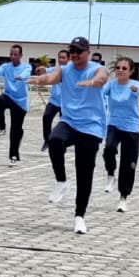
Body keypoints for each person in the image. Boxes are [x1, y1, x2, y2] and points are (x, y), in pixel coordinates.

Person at [28, 36, 108, 234]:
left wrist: (91, 82)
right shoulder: (65, 70)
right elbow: (51, 78)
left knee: (84, 173)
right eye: (72, 51)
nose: (74, 55)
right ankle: (61, 180)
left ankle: (79, 216)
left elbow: (101, 79)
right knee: (54, 140)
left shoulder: (97, 68)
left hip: (91, 126)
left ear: (87, 52)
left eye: (78, 51)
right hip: (70, 122)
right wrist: (40, 80)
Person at [100, 56, 139, 213]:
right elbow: (100, 93)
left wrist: (134, 91)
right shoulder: (111, 85)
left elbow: (137, 92)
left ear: (131, 71)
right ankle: (111, 174)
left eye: (124, 68)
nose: (120, 71)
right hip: (114, 125)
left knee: (128, 164)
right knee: (109, 148)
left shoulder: (135, 85)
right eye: (118, 68)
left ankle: (123, 197)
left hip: (131, 128)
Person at [0, 44, 32, 164]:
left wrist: (20, 77)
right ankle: (1, 128)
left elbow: (26, 74)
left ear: (20, 55)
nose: (12, 56)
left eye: (15, 54)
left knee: (16, 131)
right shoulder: (6, 67)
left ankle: (14, 156)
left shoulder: (26, 67)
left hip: (20, 102)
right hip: (8, 96)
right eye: (11, 54)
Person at [41, 48, 69, 151]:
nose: (61, 59)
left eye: (63, 57)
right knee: (46, 117)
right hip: (53, 101)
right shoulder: (55, 69)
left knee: (65, 124)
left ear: (68, 59)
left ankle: (63, 143)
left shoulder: (71, 71)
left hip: (66, 103)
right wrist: (41, 69)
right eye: (59, 57)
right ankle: (46, 141)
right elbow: (45, 71)